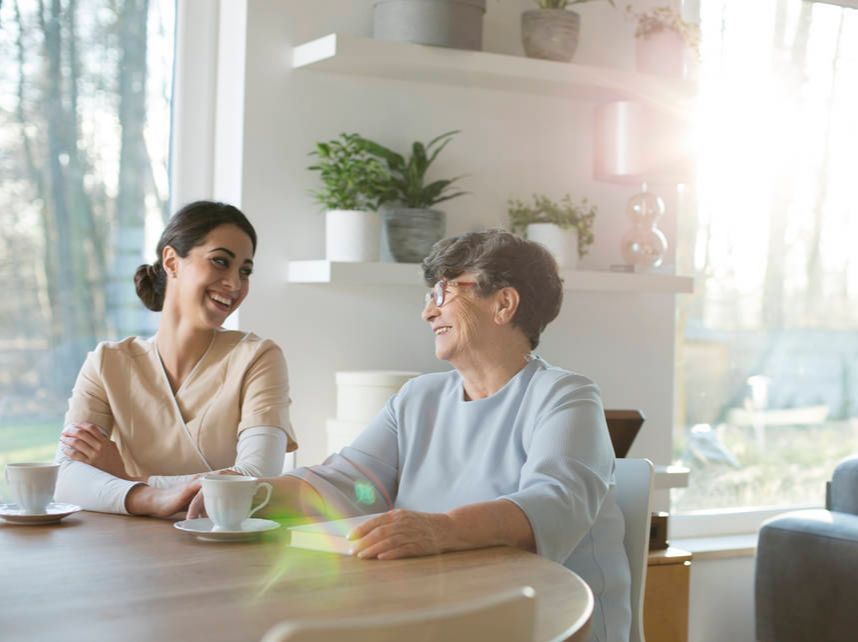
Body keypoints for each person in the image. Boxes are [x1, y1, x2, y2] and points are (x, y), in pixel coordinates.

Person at [188, 229, 630, 642]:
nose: (428, 311)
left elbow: (555, 504)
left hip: (551, 624)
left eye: (443, 293)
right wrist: (249, 493)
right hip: (448, 613)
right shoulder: (419, 397)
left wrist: (442, 529)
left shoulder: (564, 396)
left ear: (504, 304)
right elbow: (350, 483)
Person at [54, 201, 298, 517]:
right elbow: (65, 478)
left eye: (245, 271)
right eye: (220, 261)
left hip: (225, 540)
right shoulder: (107, 363)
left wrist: (130, 478)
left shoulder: (258, 358)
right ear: (172, 261)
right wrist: (152, 498)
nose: (235, 284)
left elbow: (256, 478)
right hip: (125, 541)